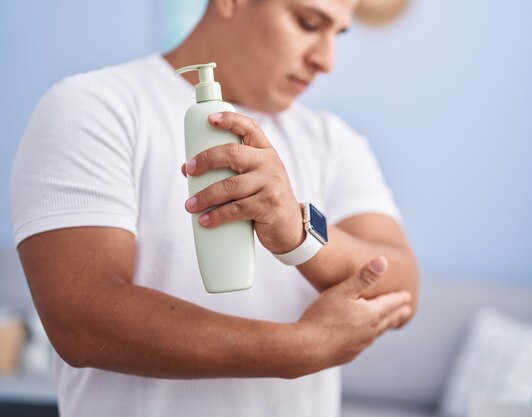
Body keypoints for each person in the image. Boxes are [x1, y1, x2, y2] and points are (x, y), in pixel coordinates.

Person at [10, 0, 419, 416]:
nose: (326, 61)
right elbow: (82, 321)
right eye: (309, 22)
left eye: (338, 34)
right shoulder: (94, 108)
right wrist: (293, 349)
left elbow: (402, 283)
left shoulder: (334, 142)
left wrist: (299, 234)